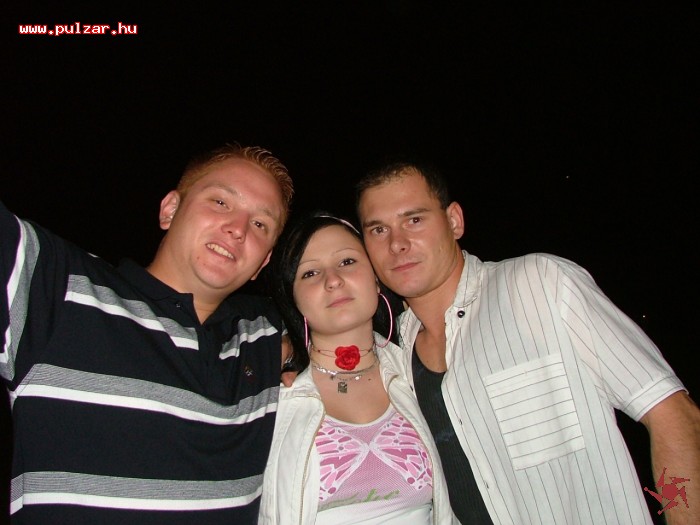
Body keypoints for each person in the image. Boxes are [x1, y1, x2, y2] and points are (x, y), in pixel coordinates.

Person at [356, 161, 700, 525]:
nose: (397, 244)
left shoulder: (539, 285)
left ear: (454, 221)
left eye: (414, 220)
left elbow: (673, 415)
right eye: (378, 229)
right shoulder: (395, 354)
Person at [1, 144, 294, 524]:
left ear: (263, 263)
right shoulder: (56, 286)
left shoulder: (264, 331)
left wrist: (297, 354)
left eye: (260, 225)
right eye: (221, 202)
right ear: (170, 209)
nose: (238, 229)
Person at [258, 213, 458, 524]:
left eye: (347, 261)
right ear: (293, 297)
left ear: (376, 277)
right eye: (310, 273)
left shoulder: (418, 367)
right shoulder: (268, 391)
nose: (333, 280)